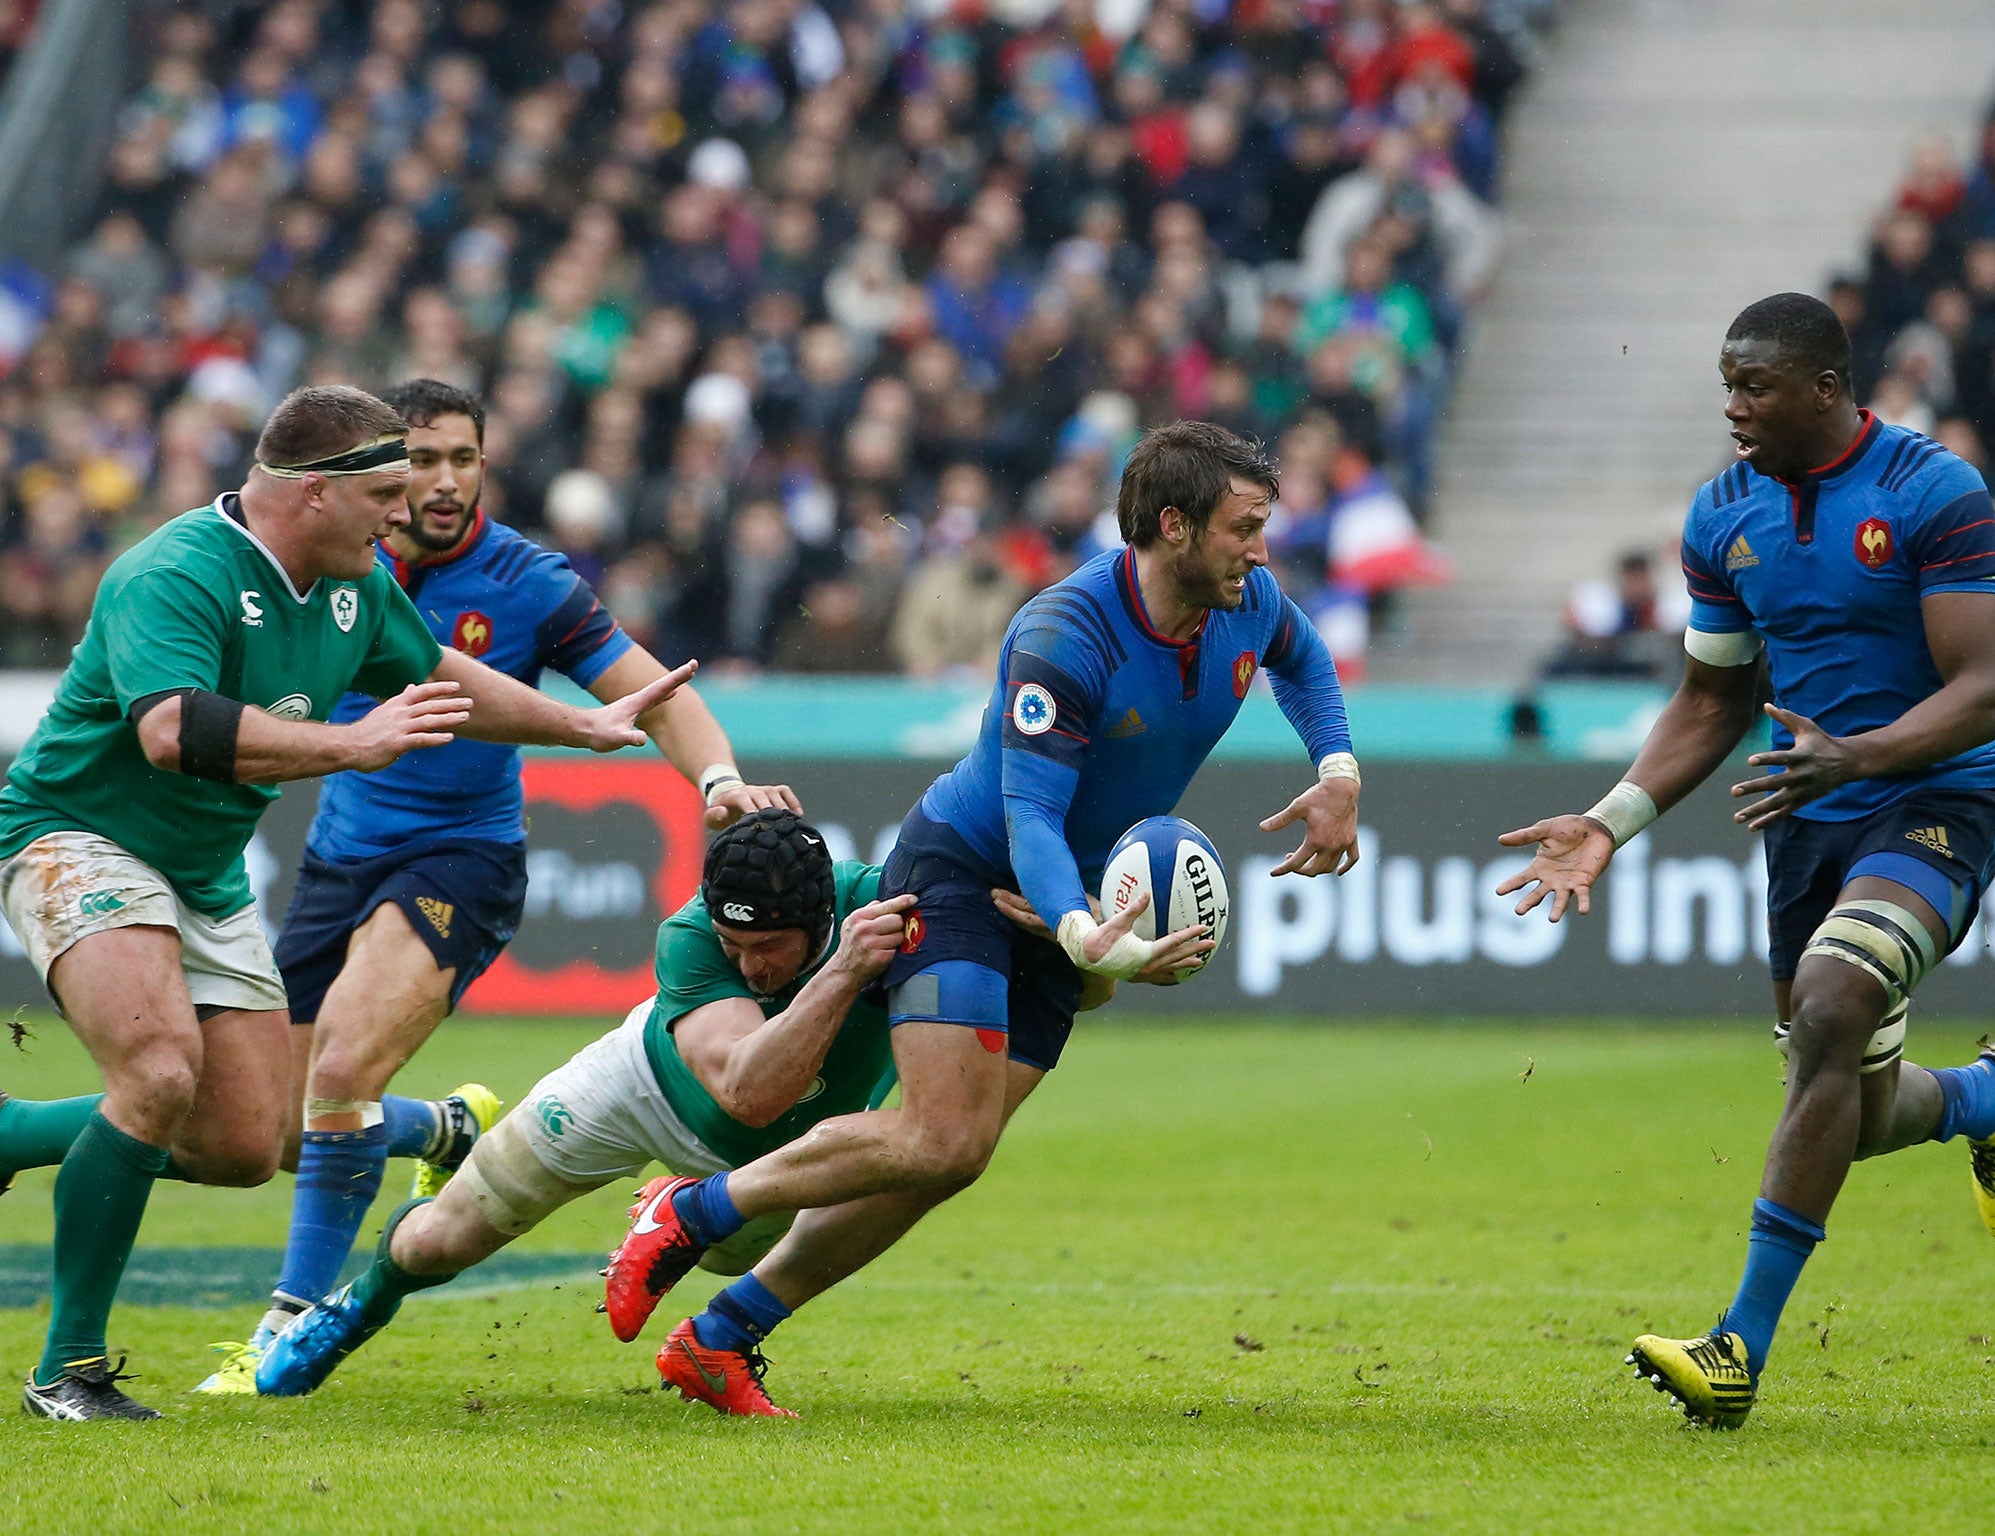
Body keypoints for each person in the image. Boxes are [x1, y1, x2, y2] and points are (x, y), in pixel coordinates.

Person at [600, 419, 1363, 1415]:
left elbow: (1299, 657)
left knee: (947, 1160)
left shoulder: (1244, 599)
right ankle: (692, 1209)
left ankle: (721, 1335)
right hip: (965, 871)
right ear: (1172, 527)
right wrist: (1091, 937)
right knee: (937, 1135)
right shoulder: (1063, 634)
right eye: (1243, 527)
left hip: (1067, 899)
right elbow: (1029, 818)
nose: (1261, 551)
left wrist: (1336, 770)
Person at [0, 385, 692, 1421]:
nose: (398, 514)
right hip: (77, 835)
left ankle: (11, 1134)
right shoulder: (174, 571)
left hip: (204, 867)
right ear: (312, 493)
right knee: (154, 1073)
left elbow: (437, 673)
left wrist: (571, 726)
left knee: (240, 1142)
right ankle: (69, 1371)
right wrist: (349, 744)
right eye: (381, 492)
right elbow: (169, 730)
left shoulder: (354, 583)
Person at [190, 379, 799, 1395]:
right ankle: (441, 1128)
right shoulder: (339, 559)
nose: (441, 482)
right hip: (338, 858)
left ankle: (285, 1325)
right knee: (281, 1133)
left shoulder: (527, 581)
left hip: (460, 860)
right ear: (378, 472)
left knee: (341, 1065)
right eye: (420, 460)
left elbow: (649, 695)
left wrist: (718, 777)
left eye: (462, 460)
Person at [1495, 293, 1995, 1432]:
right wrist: (1607, 821)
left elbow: (1981, 696)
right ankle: (1983, 1099)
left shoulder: (1929, 491)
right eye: (1725, 386)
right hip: (1806, 816)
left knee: (1835, 1005)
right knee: (1842, 1097)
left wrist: (1859, 756)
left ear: (1825, 388)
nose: (1731, 408)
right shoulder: (1720, 515)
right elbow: (1710, 698)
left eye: (1754, 387)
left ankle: (1735, 1347)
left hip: (1932, 801)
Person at [252, 810, 912, 1412]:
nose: (748, 963)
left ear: (820, 916)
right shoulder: (689, 937)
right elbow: (750, 1095)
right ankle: (360, 1303)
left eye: (767, 946)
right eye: (731, 941)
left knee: (725, 1263)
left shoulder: (882, 903)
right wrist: (841, 974)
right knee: (436, 1242)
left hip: (755, 1162)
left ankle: (679, 1208)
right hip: (637, 1086)